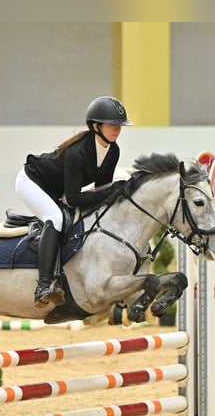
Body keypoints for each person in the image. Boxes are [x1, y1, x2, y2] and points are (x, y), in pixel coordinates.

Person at [15, 95, 133, 308]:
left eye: (120, 125)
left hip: (57, 189)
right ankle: (43, 286)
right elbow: (74, 198)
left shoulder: (112, 151)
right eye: (112, 125)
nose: (117, 129)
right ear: (96, 126)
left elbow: (101, 190)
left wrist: (117, 192)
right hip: (31, 181)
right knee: (56, 218)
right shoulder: (77, 152)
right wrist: (113, 190)